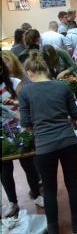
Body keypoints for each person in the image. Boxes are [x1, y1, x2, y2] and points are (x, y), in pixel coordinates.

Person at [19, 51, 77, 234]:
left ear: (30, 72)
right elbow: (76, 114)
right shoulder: (62, 86)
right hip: (68, 141)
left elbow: (26, 124)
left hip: (45, 146)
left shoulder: (26, 92)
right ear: (46, 69)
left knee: (49, 189)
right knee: (72, 181)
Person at [1, 60, 44, 219]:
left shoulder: (15, 83)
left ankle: (37, 194)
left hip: (20, 129)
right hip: (2, 134)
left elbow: (27, 106)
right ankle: (12, 202)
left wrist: (16, 115)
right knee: (4, 169)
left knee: (28, 163)